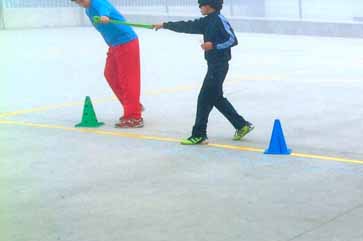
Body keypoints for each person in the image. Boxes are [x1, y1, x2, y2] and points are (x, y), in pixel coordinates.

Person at [153, 0, 253, 145]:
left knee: (204, 99)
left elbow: (232, 39)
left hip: (219, 66)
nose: (199, 7)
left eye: (201, 4)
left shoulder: (219, 20)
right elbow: (187, 25)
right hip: (213, 65)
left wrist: (214, 45)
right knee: (216, 98)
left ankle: (199, 134)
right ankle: (241, 125)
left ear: (209, 5)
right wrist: (165, 25)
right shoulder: (206, 21)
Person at [72, 0, 144, 128]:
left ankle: (134, 117)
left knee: (128, 80)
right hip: (115, 45)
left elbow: (105, 8)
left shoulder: (97, 2)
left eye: (81, 0)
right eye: (77, 2)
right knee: (110, 74)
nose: (80, 3)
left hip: (126, 42)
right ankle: (134, 106)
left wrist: (104, 16)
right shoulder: (88, 9)